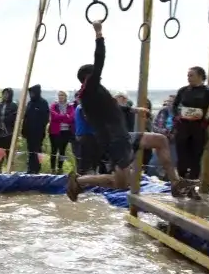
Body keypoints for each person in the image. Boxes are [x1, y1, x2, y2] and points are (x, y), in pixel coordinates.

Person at [66, 22, 195, 201]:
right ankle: (80, 181)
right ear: (89, 77)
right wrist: (99, 33)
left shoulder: (96, 93)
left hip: (123, 135)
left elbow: (111, 107)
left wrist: (134, 109)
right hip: (114, 141)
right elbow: (100, 58)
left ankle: (175, 183)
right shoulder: (90, 89)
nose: (101, 75)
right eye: (97, 74)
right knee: (121, 183)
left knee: (160, 140)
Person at [170, 66, 209, 182]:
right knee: (182, 159)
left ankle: (191, 187)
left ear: (200, 76)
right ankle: (180, 184)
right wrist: (176, 116)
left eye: (191, 75)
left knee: (195, 159)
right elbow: (175, 105)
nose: (189, 78)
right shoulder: (183, 90)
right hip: (183, 127)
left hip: (199, 127)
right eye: (188, 76)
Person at [23, 84, 49, 174]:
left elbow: (46, 118)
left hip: (38, 132)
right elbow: (25, 117)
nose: (31, 95)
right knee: (30, 150)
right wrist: (24, 129)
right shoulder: (30, 103)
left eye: (33, 93)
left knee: (37, 150)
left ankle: (36, 169)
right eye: (30, 93)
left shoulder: (43, 103)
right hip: (29, 132)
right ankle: (30, 168)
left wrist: (40, 128)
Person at [48, 90, 74, 173]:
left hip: (66, 131)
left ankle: (60, 167)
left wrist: (60, 117)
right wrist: (65, 116)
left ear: (66, 96)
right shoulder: (53, 105)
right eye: (59, 95)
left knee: (62, 151)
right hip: (55, 131)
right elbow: (54, 117)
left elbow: (71, 119)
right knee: (54, 150)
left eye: (62, 95)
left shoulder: (70, 106)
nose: (60, 97)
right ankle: (52, 168)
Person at [0, 88, 17, 173]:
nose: (5, 95)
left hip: (9, 132)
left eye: (7, 94)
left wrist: (5, 120)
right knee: (0, 150)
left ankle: (9, 168)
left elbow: (14, 117)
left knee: (9, 150)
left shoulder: (14, 105)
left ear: (10, 95)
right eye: (4, 94)